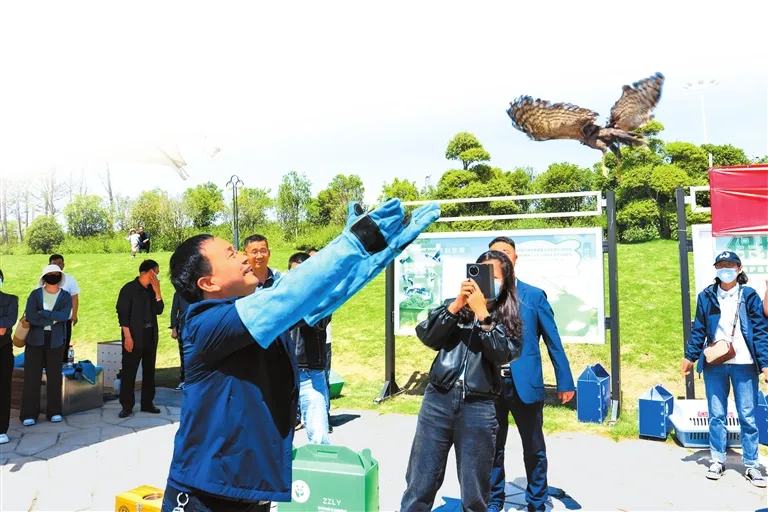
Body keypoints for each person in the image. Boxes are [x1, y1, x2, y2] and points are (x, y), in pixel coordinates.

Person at [160, 199, 439, 511]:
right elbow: (288, 293)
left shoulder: (256, 311)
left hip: (250, 495)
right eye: (231, 253)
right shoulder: (205, 324)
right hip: (204, 498)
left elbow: (320, 297)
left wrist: (380, 253)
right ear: (208, 282)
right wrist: (356, 240)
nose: (243, 257)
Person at [400, 250, 523, 512]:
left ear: (504, 283)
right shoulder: (452, 307)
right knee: (420, 481)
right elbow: (427, 336)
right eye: (480, 273)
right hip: (438, 400)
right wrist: (456, 306)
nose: (485, 282)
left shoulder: (508, 317)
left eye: (494, 277)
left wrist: (483, 316)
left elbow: (503, 353)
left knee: (475, 489)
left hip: (479, 407)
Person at [487, 236, 576, 512]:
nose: (500, 257)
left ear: (514, 260)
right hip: (489, 385)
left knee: (534, 448)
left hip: (524, 384)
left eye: (505, 253)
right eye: (494, 254)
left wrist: (565, 381)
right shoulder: (482, 296)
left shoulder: (534, 296)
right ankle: (493, 500)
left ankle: (537, 502)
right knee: (492, 448)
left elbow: (553, 341)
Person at [682, 250, 768, 488]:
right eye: (721, 265)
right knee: (716, 415)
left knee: (747, 416)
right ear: (716, 269)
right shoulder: (706, 296)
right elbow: (699, 328)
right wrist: (689, 357)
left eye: (730, 265)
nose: (725, 269)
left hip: (745, 365)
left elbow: (760, 332)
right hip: (715, 365)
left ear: (739, 269)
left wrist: (765, 364)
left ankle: (752, 464)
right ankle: (717, 460)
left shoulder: (749, 295)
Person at [288, 252, 333, 444]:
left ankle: (322, 471)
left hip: (309, 372)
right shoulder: (281, 296)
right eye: (293, 274)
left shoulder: (322, 298)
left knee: (319, 436)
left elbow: (320, 322)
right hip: (282, 371)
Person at [20, 265, 73, 426]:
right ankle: (29, 414)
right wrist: (52, 318)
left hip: (56, 340)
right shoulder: (35, 294)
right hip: (35, 340)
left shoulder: (65, 296)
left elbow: (65, 315)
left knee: (55, 376)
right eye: (50, 274)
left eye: (56, 274)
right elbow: (30, 316)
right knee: (32, 377)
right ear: (44, 277)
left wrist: (43, 313)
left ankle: (54, 411)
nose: (53, 276)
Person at [116, 259, 164, 418]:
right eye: (156, 273)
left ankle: (147, 403)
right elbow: (123, 316)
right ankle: (127, 405)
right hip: (133, 337)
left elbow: (159, 310)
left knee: (149, 371)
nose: (157, 276)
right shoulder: (128, 289)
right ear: (150, 272)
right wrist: (127, 337)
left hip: (150, 336)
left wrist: (158, 292)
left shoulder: (152, 290)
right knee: (129, 371)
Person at [308, 246, 334, 432]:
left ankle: (325, 417)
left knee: (323, 379)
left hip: (323, 343)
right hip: (301, 352)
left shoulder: (326, 284)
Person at [48, 254, 80, 364]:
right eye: (54, 263)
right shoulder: (44, 279)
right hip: (46, 319)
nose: (57, 265)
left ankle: (63, 367)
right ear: (49, 264)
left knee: (64, 344)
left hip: (64, 319)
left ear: (63, 265)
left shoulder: (69, 280)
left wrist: (74, 314)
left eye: (60, 263)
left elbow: (74, 298)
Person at [0, 269, 18, 444]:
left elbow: (7, 324)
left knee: (3, 388)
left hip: (3, 349)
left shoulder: (11, 300)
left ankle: (1, 429)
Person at [169, 291, 191, 391]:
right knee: (184, 356)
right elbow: (174, 311)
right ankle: (183, 381)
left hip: (196, 327)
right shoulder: (178, 294)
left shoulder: (198, 292)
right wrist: (174, 328)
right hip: (183, 329)